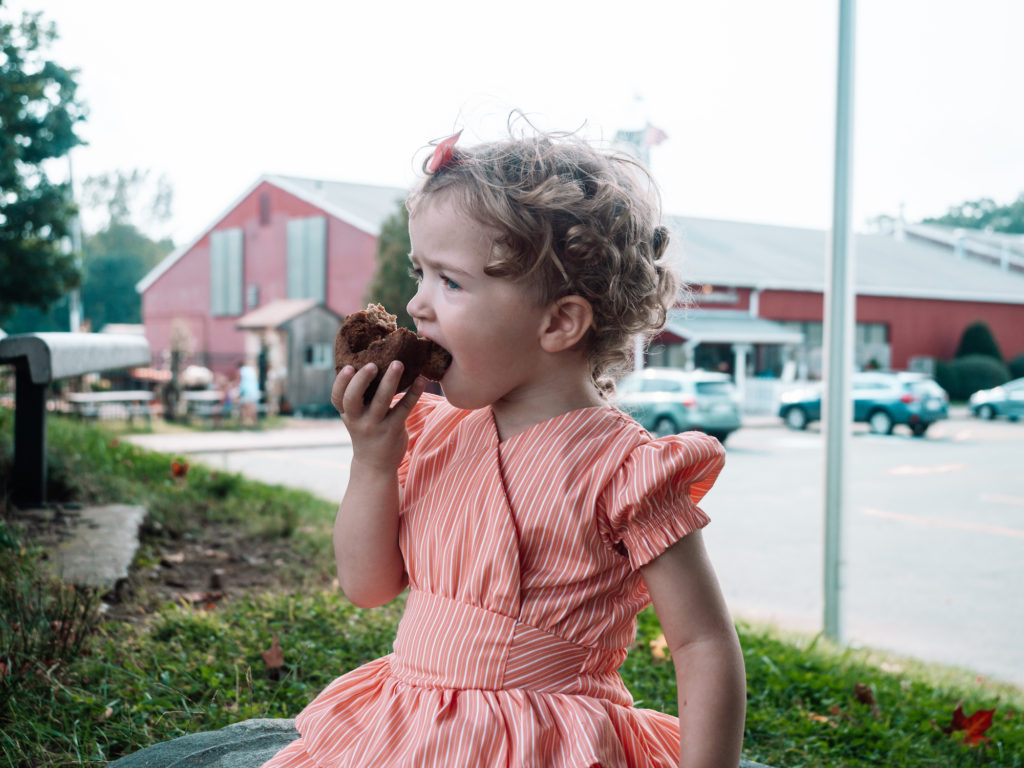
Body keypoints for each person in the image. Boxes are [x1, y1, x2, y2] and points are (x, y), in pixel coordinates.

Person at [263, 125, 746, 768]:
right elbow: (368, 586)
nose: (415, 304)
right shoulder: (434, 434)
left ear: (557, 323)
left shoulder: (626, 470)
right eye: (419, 273)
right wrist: (373, 460)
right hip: (415, 730)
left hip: (548, 743)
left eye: (450, 282)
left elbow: (703, 643)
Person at [235, 360, 260, 427]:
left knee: (244, 408)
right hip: (254, 390)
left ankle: (243, 424)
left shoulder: (241, 370)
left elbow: (239, 381)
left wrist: (237, 390)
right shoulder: (251, 370)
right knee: (252, 407)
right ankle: (255, 423)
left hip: (246, 390)